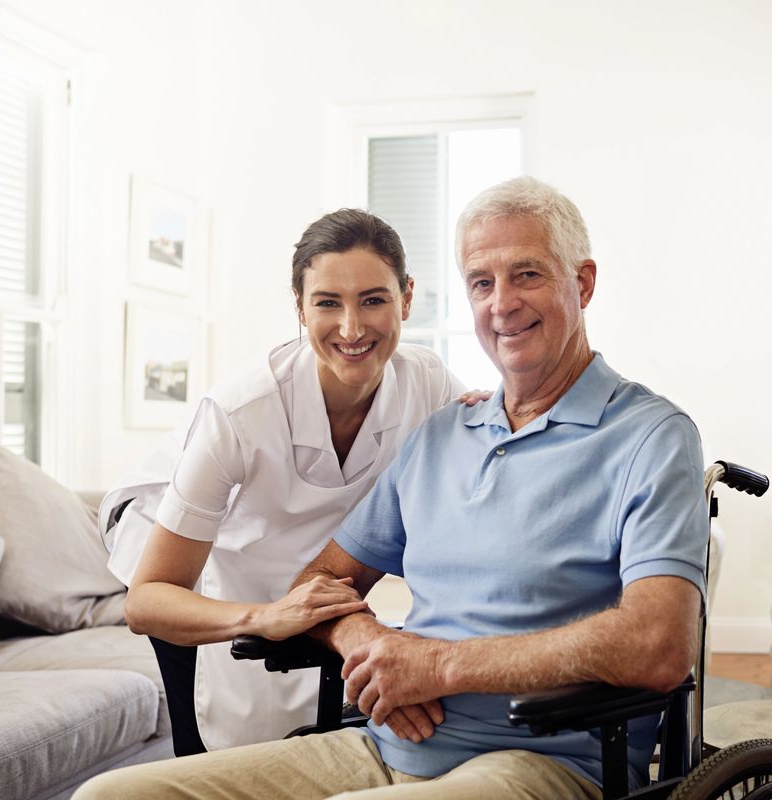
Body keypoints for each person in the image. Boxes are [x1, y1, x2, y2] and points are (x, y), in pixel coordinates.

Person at [75, 177, 708, 800]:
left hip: (535, 760)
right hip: (380, 742)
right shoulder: (441, 434)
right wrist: (375, 646)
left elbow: (658, 646)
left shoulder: (651, 436)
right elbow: (317, 585)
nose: (501, 304)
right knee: (109, 795)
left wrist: (435, 667)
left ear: (584, 283)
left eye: (528, 275)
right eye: (482, 283)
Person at [97, 208, 487, 757]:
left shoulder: (429, 383)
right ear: (300, 308)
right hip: (177, 545)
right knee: (216, 748)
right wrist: (261, 615)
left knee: (311, 721)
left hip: (302, 550)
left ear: (407, 297)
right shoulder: (240, 412)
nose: (352, 328)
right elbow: (148, 601)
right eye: (328, 302)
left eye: (373, 299)